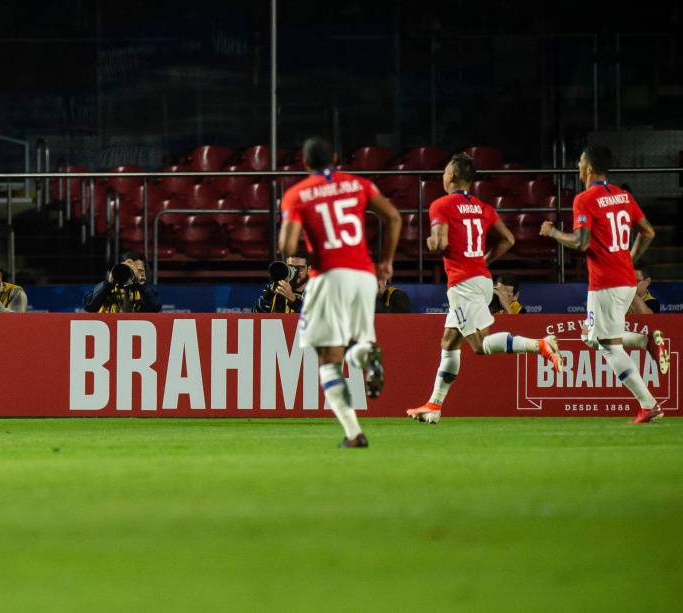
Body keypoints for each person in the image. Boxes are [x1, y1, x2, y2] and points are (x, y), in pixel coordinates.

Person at [407, 153, 562, 424]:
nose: (442, 176)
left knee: (479, 346)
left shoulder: (440, 205)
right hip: (480, 278)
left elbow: (440, 242)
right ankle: (434, 406)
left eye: (444, 171)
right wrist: (483, 260)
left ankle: (540, 345)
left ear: (452, 176)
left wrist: (433, 242)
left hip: (463, 283)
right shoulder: (482, 207)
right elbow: (509, 239)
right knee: (448, 342)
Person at [279, 137, 402, 448]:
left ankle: (353, 433)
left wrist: (292, 238)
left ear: (304, 163)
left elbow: (287, 246)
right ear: (335, 157)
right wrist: (385, 262)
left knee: (328, 359)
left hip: (329, 276)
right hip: (363, 275)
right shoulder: (358, 184)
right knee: (358, 341)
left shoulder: (298, 194)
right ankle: (367, 357)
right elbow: (393, 217)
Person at [540, 145, 668, 424]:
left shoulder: (585, 199)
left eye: (580, 162)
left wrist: (552, 232)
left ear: (589, 168)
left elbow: (580, 242)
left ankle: (649, 405)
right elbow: (648, 231)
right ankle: (646, 341)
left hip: (606, 283)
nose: (578, 167)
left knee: (609, 347)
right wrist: (629, 258)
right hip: (624, 279)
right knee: (593, 339)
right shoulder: (624, 196)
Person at [83, 251, 161, 313]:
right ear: (122, 267)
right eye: (131, 269)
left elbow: (155, 307)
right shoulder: (107, 287)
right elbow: (89, 307)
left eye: (139, 270)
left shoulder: (145, 291)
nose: (135, 273)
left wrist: (142, 286)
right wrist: (107, 284)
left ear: (145, 272)